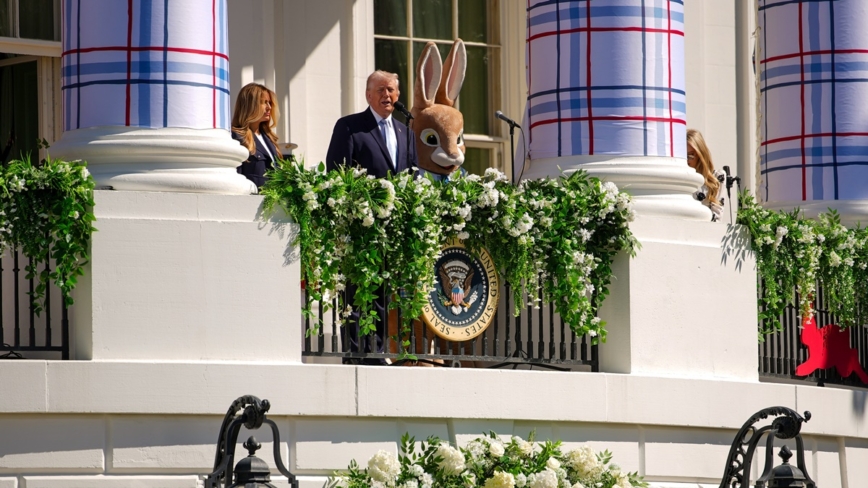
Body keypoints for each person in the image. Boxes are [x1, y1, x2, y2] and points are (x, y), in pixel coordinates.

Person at [325, 71, 419, 365]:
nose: (386, 95)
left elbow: (412, 177)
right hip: (359, 227)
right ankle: (355, 355)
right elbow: (336, 174)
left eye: (391, 89)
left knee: (382, 293)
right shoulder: (350, 126)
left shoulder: (406, 132)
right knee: (356, 293)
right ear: (368, 95)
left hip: (391, 230)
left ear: (398, 95)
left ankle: (376, 353)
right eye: (380, 90)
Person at [232, 83, 280, 189]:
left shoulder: (269, 138)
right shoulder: (236, 137)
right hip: (251, 197)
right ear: (250, 105)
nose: (269, 107)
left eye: (269, 103)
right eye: (264, 102)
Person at [686, 129, 726, 222]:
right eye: (684, 156)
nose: (687, 160)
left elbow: (717, 217)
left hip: (705, 229)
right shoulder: (679, 177)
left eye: (691, 155)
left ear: (700, 155)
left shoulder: (716, 177)